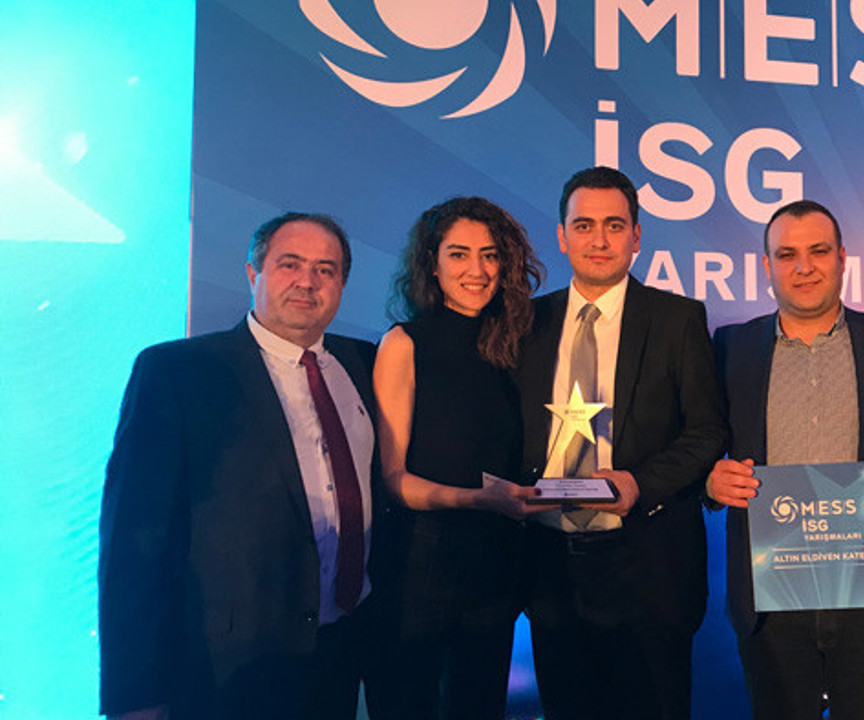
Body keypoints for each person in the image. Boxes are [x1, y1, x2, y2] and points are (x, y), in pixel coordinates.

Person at [99, 213, 377, 720]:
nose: (307, 281)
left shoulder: (363, 364)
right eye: (290, 264)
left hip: (341, 651)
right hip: (228, 668)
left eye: (326, 269)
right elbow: (134, 540)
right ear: (253, 273)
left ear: (342, 284)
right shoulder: (177, 372)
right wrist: (134, 693)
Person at [705, 200, 864, 720]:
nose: (804, 267)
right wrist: (709, 480)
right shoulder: (730, 348)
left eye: (818, 252)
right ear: (767, 265)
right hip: (771, 599)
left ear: (842, 258)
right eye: (787, 255)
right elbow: (698, 444)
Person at [513, 166, 728, 720]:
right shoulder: (525, 322)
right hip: (551, 570)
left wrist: (639, 483)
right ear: (562, 236)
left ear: (636, 236)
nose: (599, 239)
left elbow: (708, 431)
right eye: (584, 225)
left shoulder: (678, 319)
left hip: (650, 568)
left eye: (614, 225)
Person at [365, 197, 546, 720]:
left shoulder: (518, 345)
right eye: (459, 254)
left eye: (489, 255)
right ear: (432, 262)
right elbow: (393, 478)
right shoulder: (404, 343)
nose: (477, 270)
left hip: (497, 565)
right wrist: (477, 500)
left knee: (480, 705)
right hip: (421, 564)